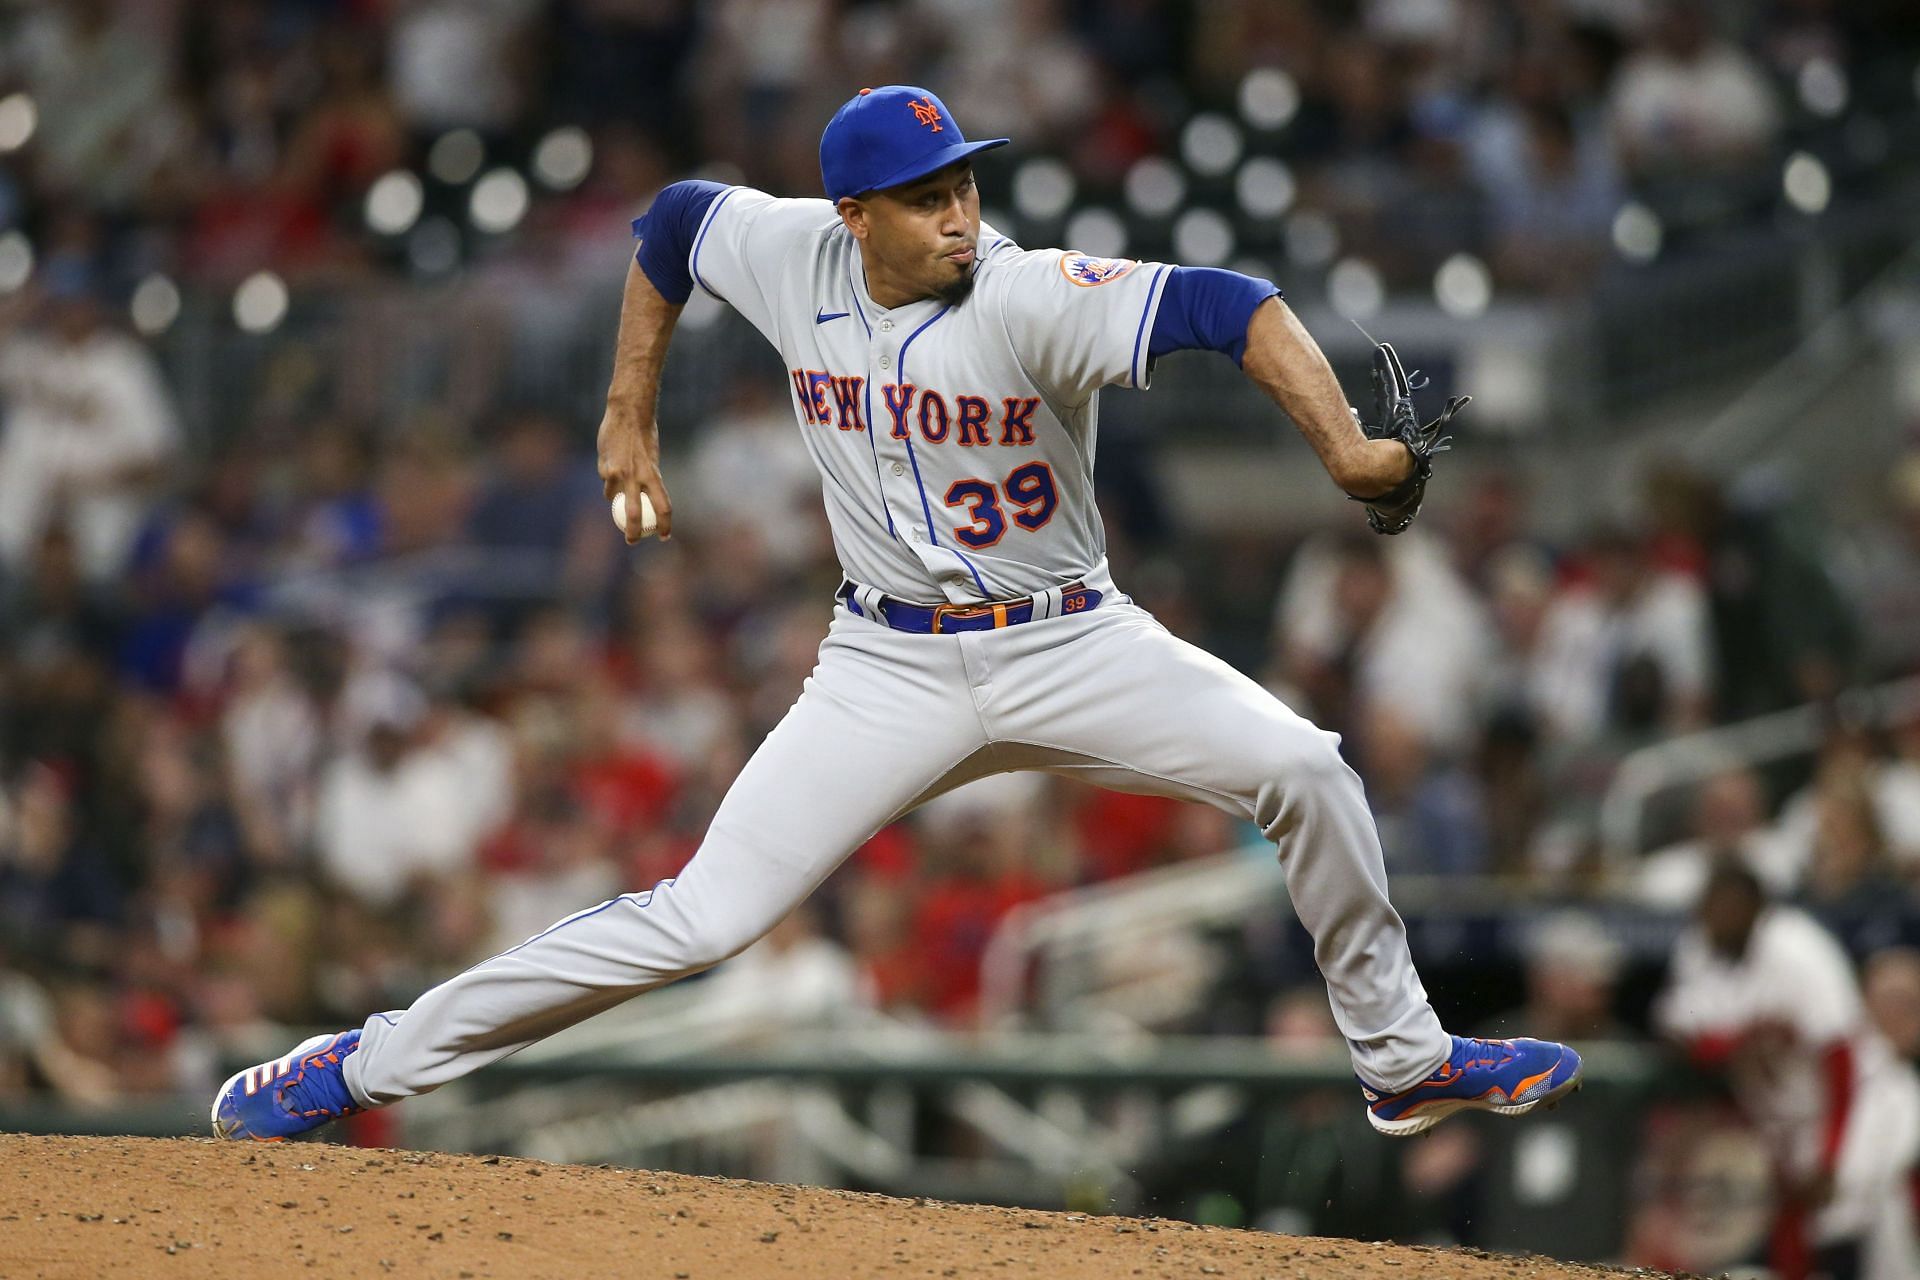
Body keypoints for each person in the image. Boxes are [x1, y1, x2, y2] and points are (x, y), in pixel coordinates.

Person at [213, 85, 1580, 1143]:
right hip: (885, 664)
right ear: (853, 217)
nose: (960, 217)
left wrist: (1344, 451)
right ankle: (361, 1065)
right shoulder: (793, 251)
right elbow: (675, 223)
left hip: (1071, 640)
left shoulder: (1031, 293)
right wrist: (627, 412)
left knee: (1305, 767)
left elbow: (1234, 306)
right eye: (925, 199)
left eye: (965, 186)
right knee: (701, 919)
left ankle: (1402, 1064)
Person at [1655, 862, 1920, 1280]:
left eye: (1731, 907)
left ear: (1757, 908)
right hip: (1785, 1111)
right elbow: (1678, 1032)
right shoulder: (1698, 949)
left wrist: (1831, 1155)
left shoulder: (1798, 949)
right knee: (1792, 1227)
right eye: (1712, 906)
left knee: (1847, 1220)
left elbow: (1840, 1055)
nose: (1719, 917)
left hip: (1860, 1102)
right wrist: (1735, 1043)